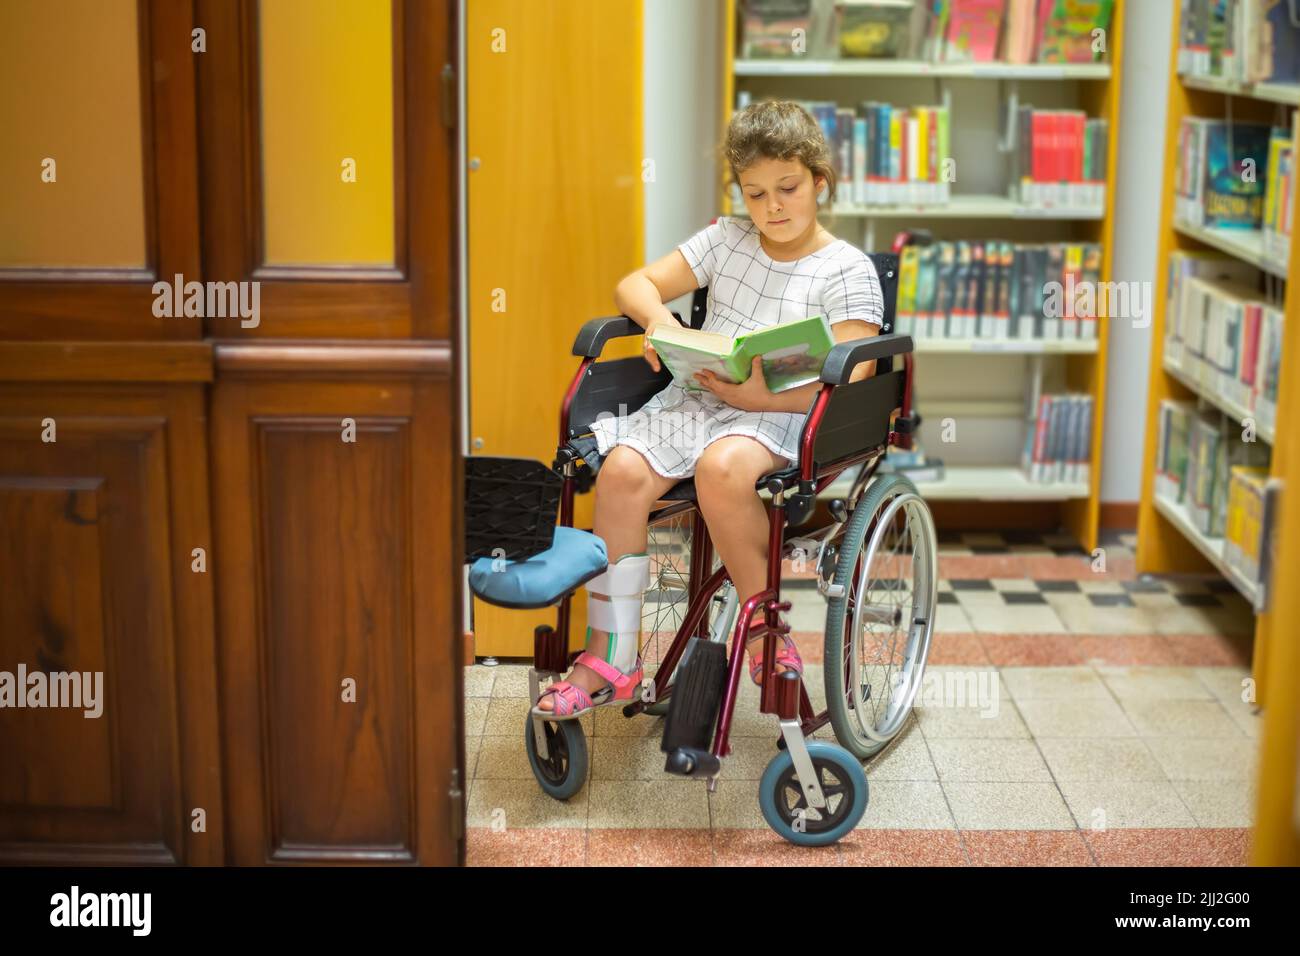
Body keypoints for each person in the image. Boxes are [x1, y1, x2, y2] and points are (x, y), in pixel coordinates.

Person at [534, 99, 884, 718]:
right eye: (755, 194)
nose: (772, 207)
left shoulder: (846, 269)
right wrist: (661, 322)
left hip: (784, 410)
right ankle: (611, 653)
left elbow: (853, 370)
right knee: (618, 472)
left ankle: (763, 629)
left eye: (788, 188)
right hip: (699, 395)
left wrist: (758, 394)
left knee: (721, 469)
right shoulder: (726, 239)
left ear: (819, 182)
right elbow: (634, 285)